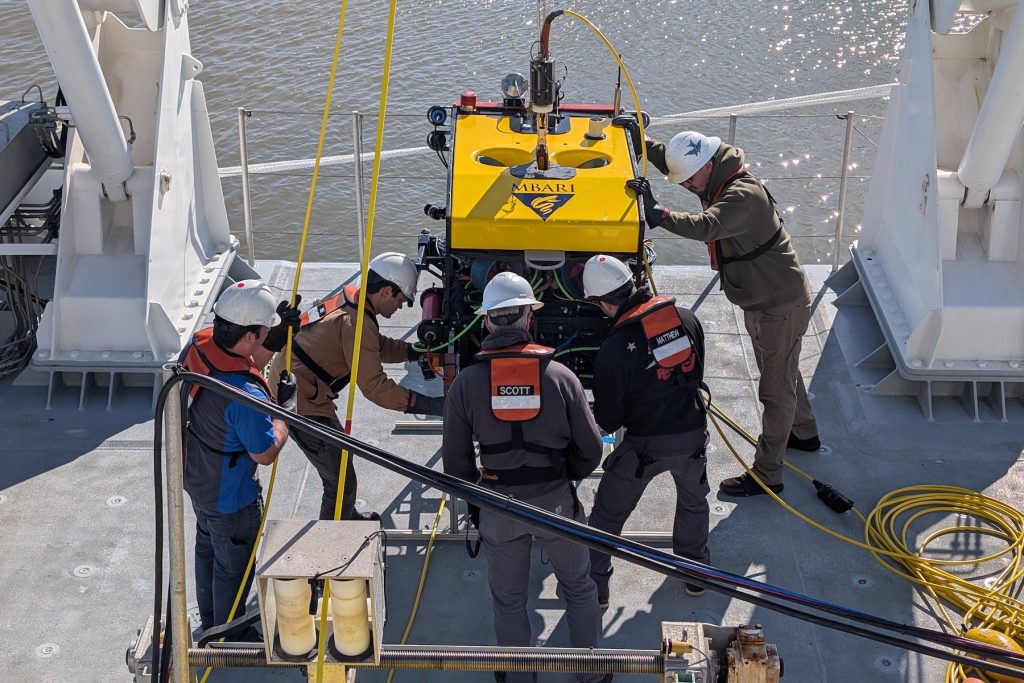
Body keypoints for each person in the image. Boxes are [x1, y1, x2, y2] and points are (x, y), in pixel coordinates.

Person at [626, 130, 820, 498]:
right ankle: (804, 434)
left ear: (709, 165)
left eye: (689, 179)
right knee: (783, 369)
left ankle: (768, 474)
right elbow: (670, 156)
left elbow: (706, 227)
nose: (685, 186)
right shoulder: (713, 174)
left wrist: (660, 213)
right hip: (763, 298)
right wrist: (638, 136)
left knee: (775, 392)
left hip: (778, 306)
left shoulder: (741, 197)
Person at [441, 272, 610, 683]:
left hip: (498, 504)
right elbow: (590, 449)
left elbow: (456, 465)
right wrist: (561, 478)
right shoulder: (560, 376)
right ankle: (590, 674)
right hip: (555, 502)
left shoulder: (466, 384)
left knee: (510, 600)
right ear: (528, 321)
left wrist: (481, 497)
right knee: (579, 587)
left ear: (486, 322)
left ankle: (519, 677)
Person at [269, 252, 443, 521]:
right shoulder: (356, 322)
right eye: (401, 300)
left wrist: (413, 351)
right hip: (299, 401)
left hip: (301, 387)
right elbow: (374, 386)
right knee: (339, 481)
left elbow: (375, 346)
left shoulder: (352, 304)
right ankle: (334, 536)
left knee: (341, 459)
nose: (400, 307)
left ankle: (344, 517)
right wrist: (426, 404)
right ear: (386, 291)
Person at [582, 254, 710, 603]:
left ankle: (597, 589)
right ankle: (695, 574)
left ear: (606, 303)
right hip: (692, 435)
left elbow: (608, 420)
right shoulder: (686, 318)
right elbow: (695, 376)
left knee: (607, 515)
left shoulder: (614, 348)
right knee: (694, 503)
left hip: (643, 448)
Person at [180, 279, 298, 637]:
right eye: (263, 334)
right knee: (233, 565)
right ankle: (229, 633)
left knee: (207, 550)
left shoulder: (201, 344)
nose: (265, 339)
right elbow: (264, 452)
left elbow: (236, 361)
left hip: (199, 477)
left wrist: (272, 337)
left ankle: (212, 620)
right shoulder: (245, 397)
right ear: (248, 336)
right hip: (231, 497)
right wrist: (286, 410)